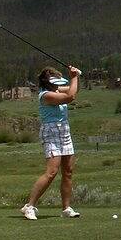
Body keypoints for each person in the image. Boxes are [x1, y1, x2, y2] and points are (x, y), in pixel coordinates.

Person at [21, 65, 82, 220]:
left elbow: (73, 90)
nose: (58, 85)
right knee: (52, 172)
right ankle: (29, 206)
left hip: (64, 131)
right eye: (55, 82)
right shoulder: (46, 95)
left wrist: (76, 76)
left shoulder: (56, 90)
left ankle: (66, 208)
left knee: (68, 171)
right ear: (47, 82)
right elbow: (71, 97)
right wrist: (74, 77)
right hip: (51, 131)